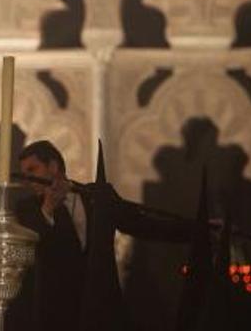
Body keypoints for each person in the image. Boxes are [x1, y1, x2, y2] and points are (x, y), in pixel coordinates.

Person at [11, 140, 196, 331]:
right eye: (25, 175)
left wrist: (198, 230)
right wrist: (48, 207)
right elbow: (34, 243)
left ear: (53, 165)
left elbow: (143, 225)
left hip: (101, 303)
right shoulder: (27, 208)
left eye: (33, 170)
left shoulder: (96, 194)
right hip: (57, 312)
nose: (28, 180)